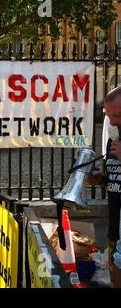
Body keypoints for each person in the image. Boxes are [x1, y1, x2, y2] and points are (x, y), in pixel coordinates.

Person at [88, 86, 121, 288]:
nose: (114, 122)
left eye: (118, 115)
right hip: (114, 232)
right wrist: (99, 179)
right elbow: (114, 178)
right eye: (110, 117)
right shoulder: (113, 138)